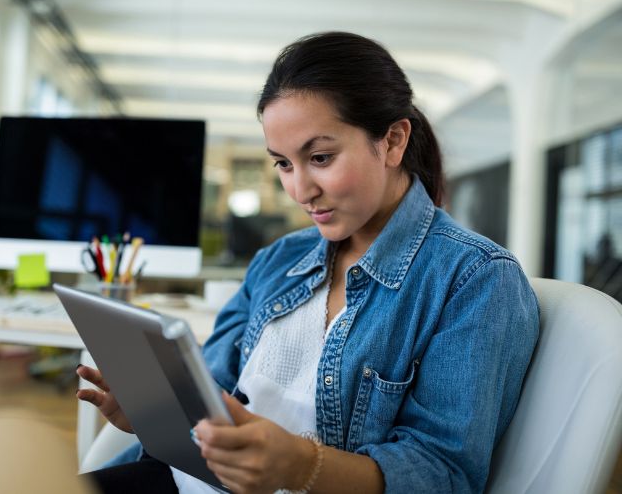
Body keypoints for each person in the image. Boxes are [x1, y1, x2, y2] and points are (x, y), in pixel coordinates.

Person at [77, 31, 539, 493]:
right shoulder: (277, 261)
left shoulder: (475, 280)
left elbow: (444, 475)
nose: (300, 190)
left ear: (394, 141)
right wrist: (155, 416)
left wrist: (301, 465)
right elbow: (212, 393)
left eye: (320, 157)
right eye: (282, 164)